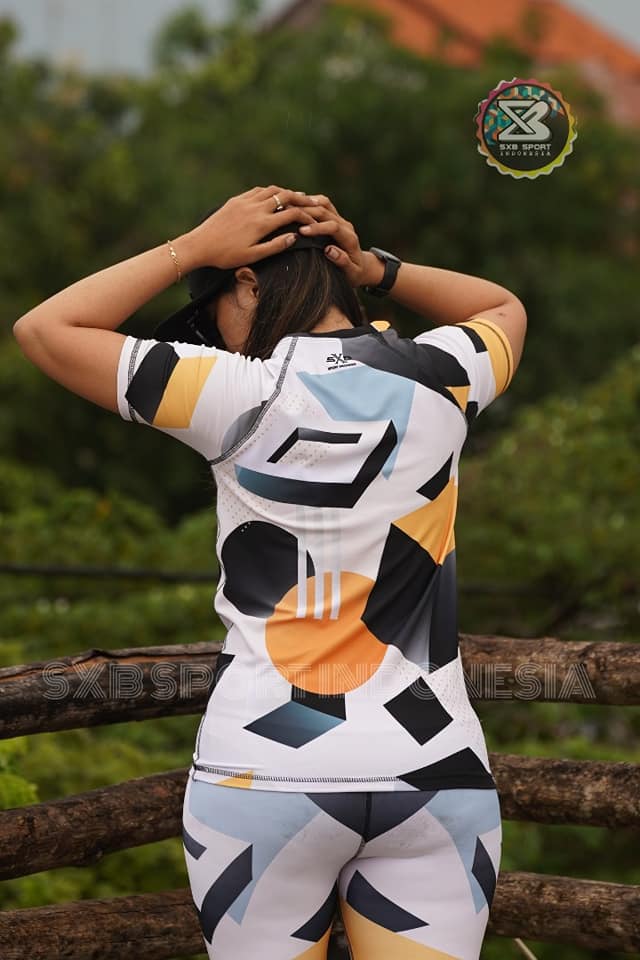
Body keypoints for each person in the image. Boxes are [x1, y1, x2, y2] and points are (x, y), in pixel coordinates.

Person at [13, 185, 526, 960]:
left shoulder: (231, 389)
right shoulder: (444, 372)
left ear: (247, 282)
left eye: (215, 307)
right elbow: (502, 306)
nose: (219, 334)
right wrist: (376, 268)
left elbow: (45, 329)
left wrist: (192, 248)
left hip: (265, 773)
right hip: (433, 766)